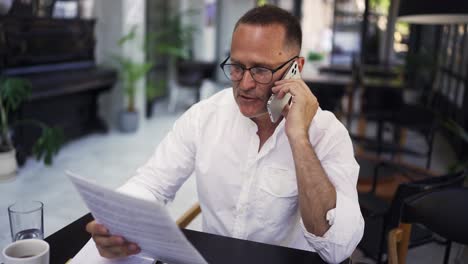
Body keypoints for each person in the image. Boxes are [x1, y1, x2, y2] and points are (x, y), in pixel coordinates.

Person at [86, 5, 364, 263]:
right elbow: (152, 184)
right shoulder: (204, 116)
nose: (244, 83)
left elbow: (337, 249)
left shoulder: (327, 134)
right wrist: (116, 222)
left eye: (261, 70)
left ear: (296, 69)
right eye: (237, 66)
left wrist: (299, 138)